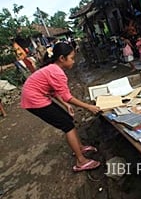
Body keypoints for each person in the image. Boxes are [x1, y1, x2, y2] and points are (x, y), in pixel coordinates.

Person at [21, 42, 101, 172]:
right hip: (34, 100)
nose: (74, 62)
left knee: (68, 120)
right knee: (67, 125)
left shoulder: (53, 68)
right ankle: (81, 161)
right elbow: (67, 96)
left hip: (37, 96)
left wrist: (65, 105)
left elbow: (54, 92)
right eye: (72, 58)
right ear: (62, 59)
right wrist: (88, 107)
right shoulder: (57, 72)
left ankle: (79, 147)